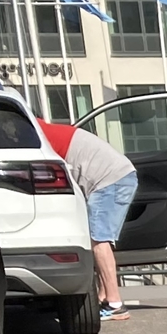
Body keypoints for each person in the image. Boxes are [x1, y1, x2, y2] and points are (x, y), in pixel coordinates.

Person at [40, 119, 139, 322]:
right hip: (118, 176)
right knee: (102, 241)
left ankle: (115, 304)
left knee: (99, 241)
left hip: (108, 181)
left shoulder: (38, 136)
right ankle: (104, 297)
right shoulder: (46, 130)